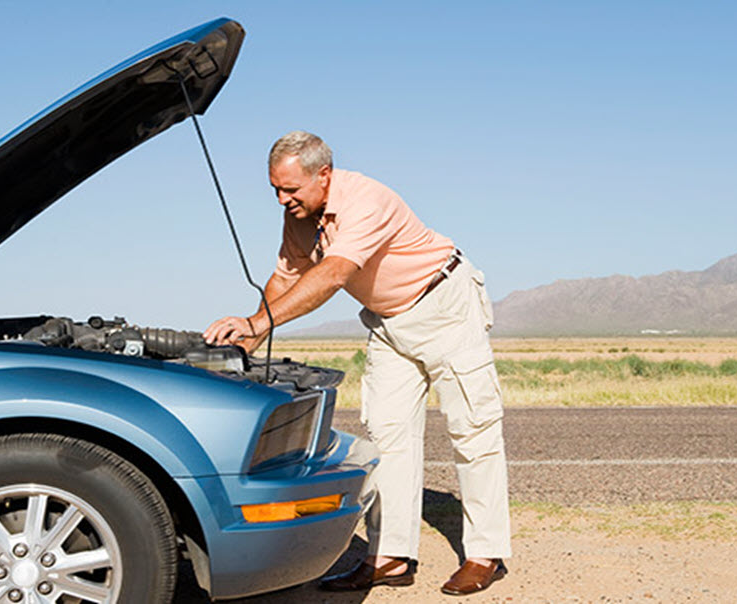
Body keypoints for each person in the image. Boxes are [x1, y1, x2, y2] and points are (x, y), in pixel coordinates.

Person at [204, 131, 511, 595]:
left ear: (323, 175)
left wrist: (257, 320)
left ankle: (486, 554)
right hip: (389, 324)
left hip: (445, 305)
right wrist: (251, 336)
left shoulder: (367, 199)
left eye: (291, 189)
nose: (282, 200)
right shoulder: (301, 216)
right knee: (386, 438)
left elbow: (334, 274)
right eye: (275, 190)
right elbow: (285, 277)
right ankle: (389, 557)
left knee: (473, 431)